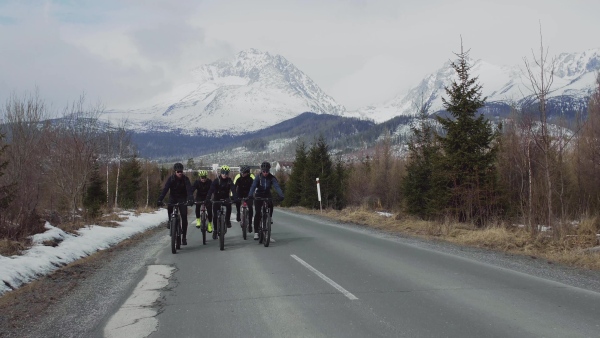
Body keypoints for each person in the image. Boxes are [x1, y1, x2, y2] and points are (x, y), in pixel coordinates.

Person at [157, 163, 194, 245]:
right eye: (178, 171)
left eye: (181, 171)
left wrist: (190, 199)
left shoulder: (185, 179)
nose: (180, 173)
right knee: (169, 207)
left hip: (182, 198)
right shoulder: (171, 179)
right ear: (175, 171)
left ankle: (184, 237)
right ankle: (170, 220)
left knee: (184, 217)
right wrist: (160, 199)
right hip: (173, 197)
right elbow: (165, 189)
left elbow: (189, 190)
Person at [247, 161, 284, 240]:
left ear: (269, 171)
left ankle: (269, 217)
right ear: (261, 171)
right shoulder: (258, 177)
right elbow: (253, 186)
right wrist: (250, 195)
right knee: (257, 213)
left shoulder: (272, 177)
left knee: (270, 204)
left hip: (267, 194)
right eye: (264, 171)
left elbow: (277, 186)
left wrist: (281, 195)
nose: (265, 173)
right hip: (258, 195)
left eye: (267, 171)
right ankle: (256, 232)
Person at [233, 165, 256, 232]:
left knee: (250, 207)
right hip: (240, 192)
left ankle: (250, 224)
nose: (242, 174)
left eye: (244, 173)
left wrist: (255, 194)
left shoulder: (252, 176)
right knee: (237, 201)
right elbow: (234, 187)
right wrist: (233, 196)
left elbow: (255, 186)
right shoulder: (238, 176)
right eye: (241, 172)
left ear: (248, 172)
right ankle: (238, 213)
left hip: (249, 193)